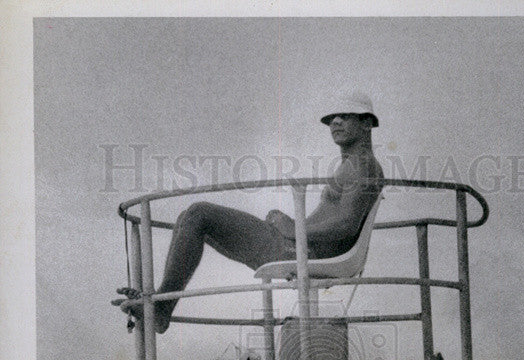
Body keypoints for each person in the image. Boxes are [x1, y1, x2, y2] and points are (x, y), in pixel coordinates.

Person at [120, 92, 384, 334]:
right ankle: (159, 304)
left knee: (198, 215)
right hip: (300, 244)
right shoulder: (352, 165)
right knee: (187, 218)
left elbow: (346, 225)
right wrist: (290, 224)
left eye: (345, 116)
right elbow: (336, 219)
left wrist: (293, 229)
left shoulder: (363, 166)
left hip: (304, 250)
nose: (335, 122)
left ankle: (162, 308)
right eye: (331, 119)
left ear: (366, 124)